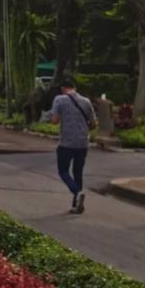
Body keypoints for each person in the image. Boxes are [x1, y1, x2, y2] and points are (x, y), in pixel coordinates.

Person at [50, 79, 96, 214]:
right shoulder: (86, 101)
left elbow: (54, 121)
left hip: (66, 143)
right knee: (78, 173)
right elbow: (93, 124)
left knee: (63, 171)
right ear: (75, 88)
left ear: (63, 88)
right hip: (82, 143)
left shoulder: (59, 99)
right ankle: (76, 205)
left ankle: (77, 191)